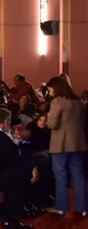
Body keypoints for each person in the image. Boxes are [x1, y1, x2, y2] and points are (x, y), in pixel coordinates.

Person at [0, 107, 48, 212]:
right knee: (27, 171)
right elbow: (12, 156)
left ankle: (28, 204)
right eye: (9, 121)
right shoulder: (0, 136)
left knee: (32, 165)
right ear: (6, 121)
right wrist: (31, 167)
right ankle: (23, 206)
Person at [45, 76, 88, 216]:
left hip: (61, 144)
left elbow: (53, 124)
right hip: (78, 142)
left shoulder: (57, 101)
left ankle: (61, 206)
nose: (50, 93)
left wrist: (49, 117)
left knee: (61, 176)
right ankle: (82, 207)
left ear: (56, 88)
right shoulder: (79, 101)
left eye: (50, 90)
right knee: (78, 175)